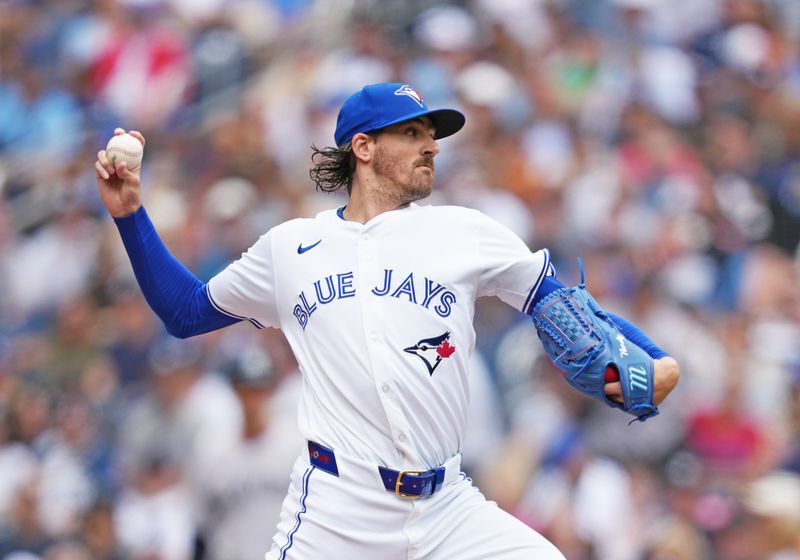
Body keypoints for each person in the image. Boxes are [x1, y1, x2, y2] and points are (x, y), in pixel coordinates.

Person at [94, 82, 680, 559]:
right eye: (413, 133)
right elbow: (184, 311)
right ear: (364, 148)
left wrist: (651, 358)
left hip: (447, 507)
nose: (431, 146)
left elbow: (567, 306)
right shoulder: (291, 248)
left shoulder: (465, 232)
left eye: (432, 134)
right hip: (335, 513)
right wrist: (130, 215)